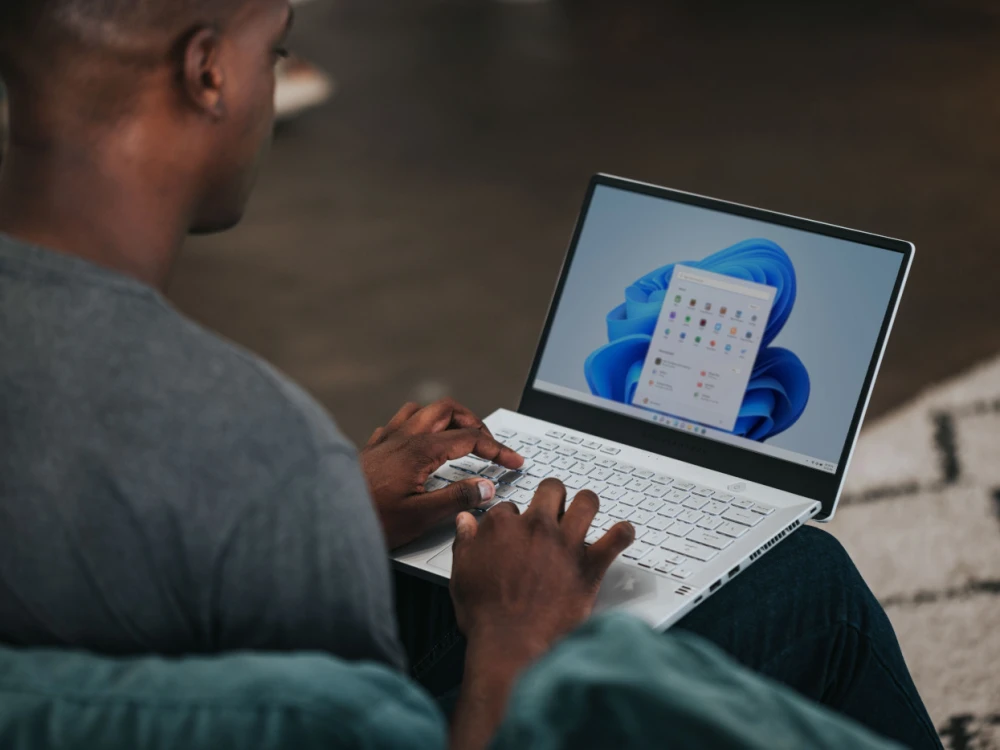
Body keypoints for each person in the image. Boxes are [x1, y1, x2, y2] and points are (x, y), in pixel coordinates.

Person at [0, 2, 941, 749]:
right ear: (207, 70)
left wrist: (339, 505)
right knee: (808, 581)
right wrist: (515, 636)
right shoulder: (243, 432)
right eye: (276, 50)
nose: (271, 78)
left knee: (450, 561)